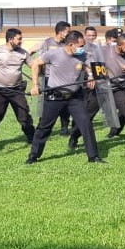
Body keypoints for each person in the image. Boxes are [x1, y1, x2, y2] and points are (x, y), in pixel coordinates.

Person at [27, 30, 106, 164]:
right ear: (70, 44)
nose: (83, 49)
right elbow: (35, 63)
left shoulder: (83, 56)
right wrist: (35, 85)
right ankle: (33, 156)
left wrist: (92, 76)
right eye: (80, 46)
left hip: (75, 98)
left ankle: (93, 157)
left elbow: (90, 68)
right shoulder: (54, 53)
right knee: (44, 127)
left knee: (86, 124)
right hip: (55, 97)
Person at [0, 28, 36, 146]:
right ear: (10, 39)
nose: (21, 41)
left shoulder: (23, 53)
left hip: (17, 91)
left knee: (24, 115)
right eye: (19, 39)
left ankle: (32, 138)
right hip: (0, 91)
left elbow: (33, 66)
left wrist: (36, 83)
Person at [38, 21, 72, 135]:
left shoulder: (67, 44)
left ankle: (64, 127)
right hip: (49, 77)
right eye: (68, 31)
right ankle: (43, 126)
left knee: (65, 102)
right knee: (47, 103)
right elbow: (40, 58)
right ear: (61, 32)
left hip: (64, 78)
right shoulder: (47, 42)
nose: (69, 34)